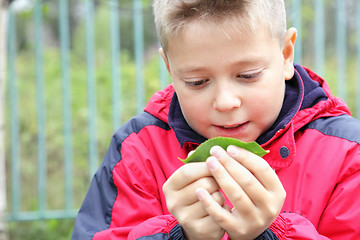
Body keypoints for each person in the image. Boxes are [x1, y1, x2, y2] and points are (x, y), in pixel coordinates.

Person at [72, 0, 360, 239]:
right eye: (197, 82)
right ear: (170, 69)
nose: (225, 102)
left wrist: (271, 234)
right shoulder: (138, 152)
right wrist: (177, 235)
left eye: (247, 76)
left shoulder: (348, 154)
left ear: (286, 55)